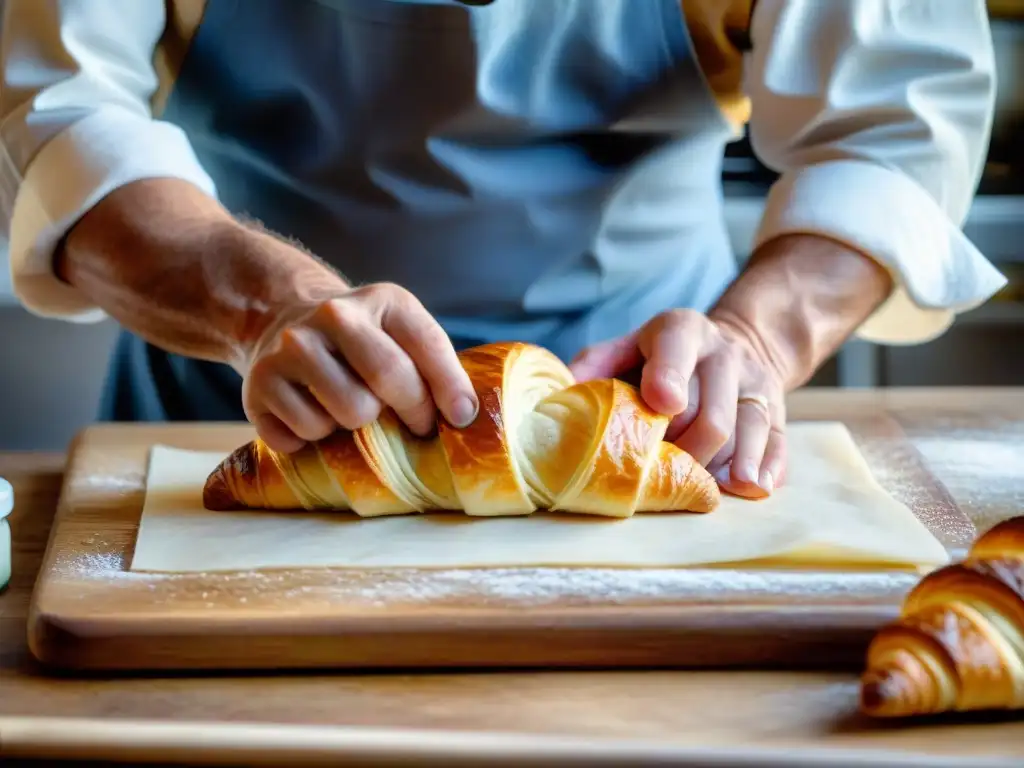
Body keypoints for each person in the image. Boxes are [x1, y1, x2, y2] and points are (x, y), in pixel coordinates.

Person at [0, 0, 1006, 500]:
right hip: (234, 414)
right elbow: (58, 104)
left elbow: (890, 126)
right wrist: (264, 310)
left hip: (657, 430)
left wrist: (755, 337)